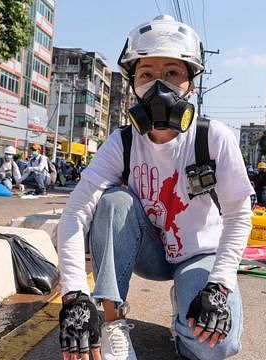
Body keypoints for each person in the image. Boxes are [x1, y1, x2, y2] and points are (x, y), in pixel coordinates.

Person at [56, 15, 253, 360]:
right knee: (113, 202)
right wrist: (74, 295)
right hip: (148, 252)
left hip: (198, 254)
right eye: (147, 74)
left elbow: (239, 215)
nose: (158, 85)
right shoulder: (123, 142)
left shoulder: (213, 138)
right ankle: (113, 324)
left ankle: (185, 311)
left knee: (215, 347)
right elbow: (75, 212)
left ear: (191, 83)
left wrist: (219, 286)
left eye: (172, 73)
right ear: (133, 82)